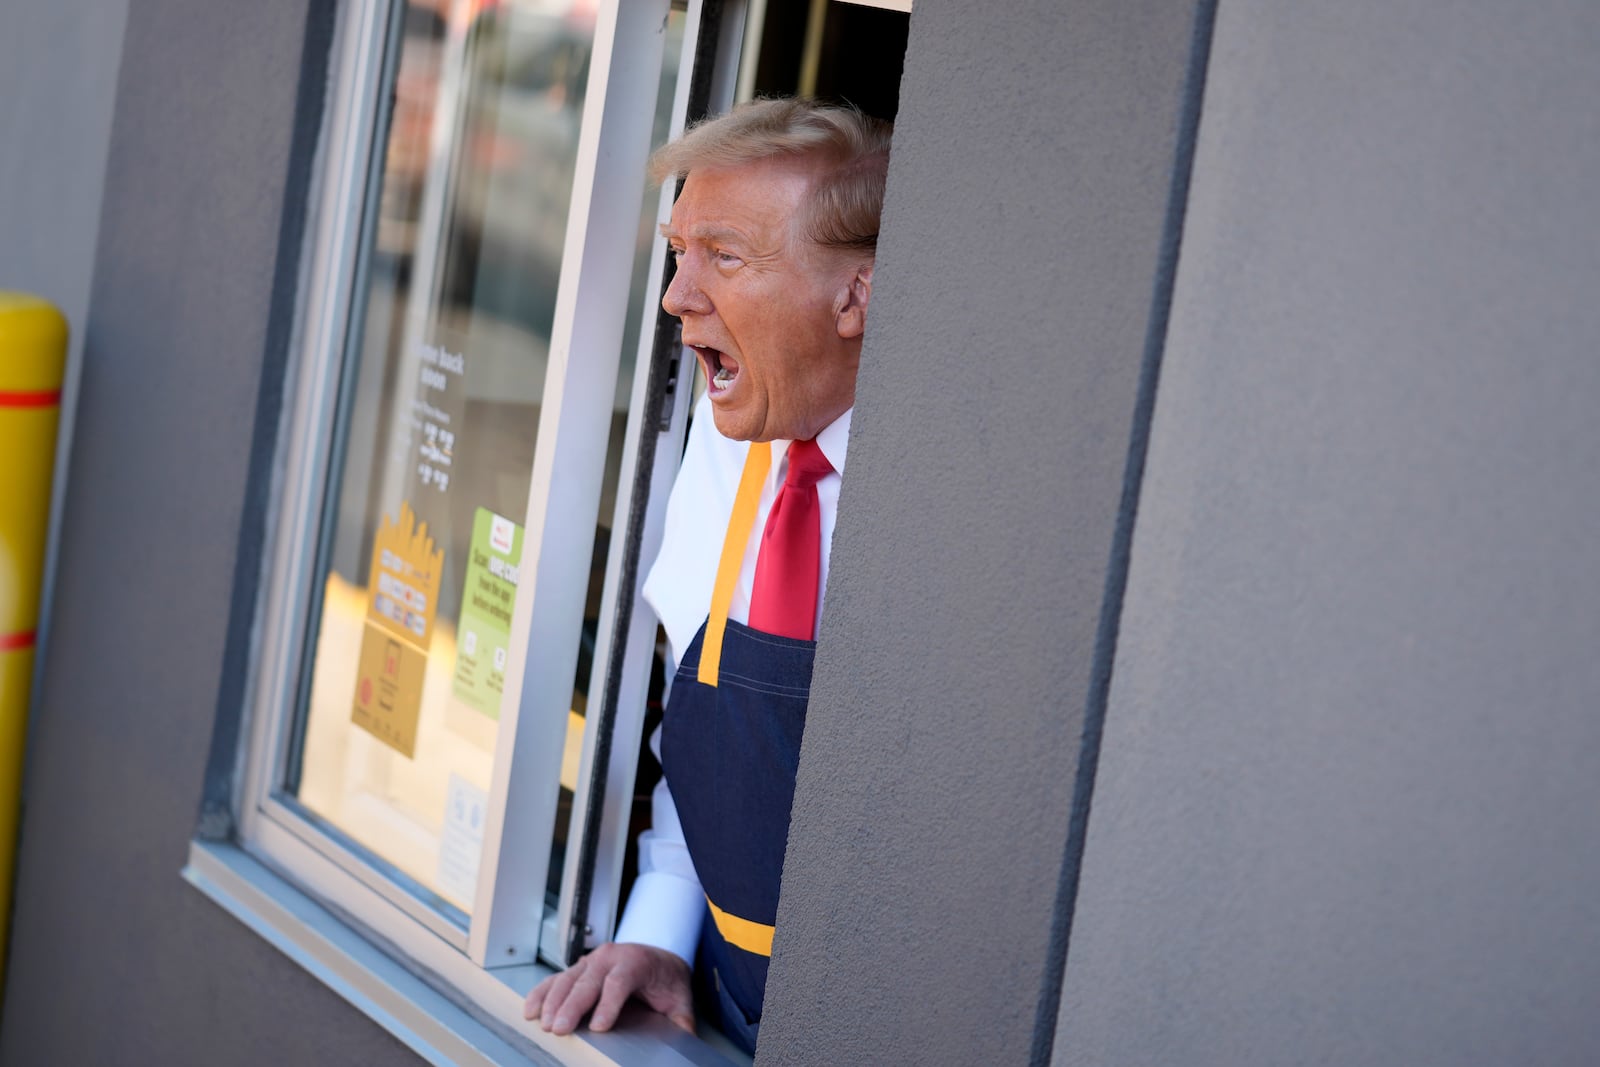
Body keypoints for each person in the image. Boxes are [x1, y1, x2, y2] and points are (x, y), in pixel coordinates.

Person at [524, 98, 891, 1054]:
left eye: (722, 256)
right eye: (678, 251)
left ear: (859, 296)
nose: (676, 296)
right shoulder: (731, 450)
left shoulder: (938, 518)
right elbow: (705, 731)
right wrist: (658, 929)